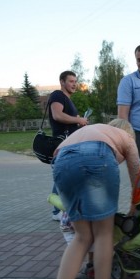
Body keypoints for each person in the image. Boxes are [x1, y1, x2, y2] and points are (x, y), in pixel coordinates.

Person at [52, 118, 140, 279]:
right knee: (103, 234)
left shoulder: (96, 130)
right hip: (97, 157)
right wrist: (134, 209)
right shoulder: (127, 138)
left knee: (82, 236)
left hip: (61, 160)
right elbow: (137, 179)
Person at [48, 70, 89, 221]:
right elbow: (57, 115)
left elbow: (67, 119)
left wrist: (80, 121)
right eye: (70, 81)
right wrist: (77, 120)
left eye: (75, 81)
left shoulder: (67, 99)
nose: (74, 84)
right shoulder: (57, 95)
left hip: (69, 142)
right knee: (63, 175)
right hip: (62, 143)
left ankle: (64, 208)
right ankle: (56, 211)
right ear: (62, 82)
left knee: (66, 174)